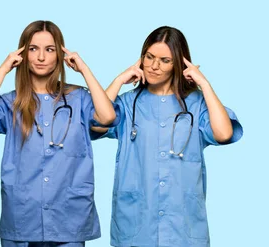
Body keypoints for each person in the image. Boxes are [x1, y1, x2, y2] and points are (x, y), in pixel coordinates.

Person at [0, 20, 117, 247]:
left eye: (50, 50)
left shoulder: (79, 98)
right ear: (23, 54)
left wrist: (84, 69)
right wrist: (3, 69)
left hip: (68, 217)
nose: (41, 57)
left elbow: (107, 117)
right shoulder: (11, 102)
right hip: (22, 216)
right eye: (33, 49)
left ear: (60, 55)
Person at [91, 26, 244, 247]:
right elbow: (96, 123)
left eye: (165, 60)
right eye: (149, 57)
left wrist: (204, 84)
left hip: (182, 225)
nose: (154, 66)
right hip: (136, 224)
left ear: (179, 65)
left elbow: (224, 134)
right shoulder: (127, 103)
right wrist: (118, 80)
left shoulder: (197, 104)